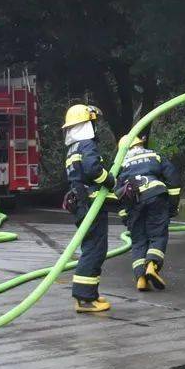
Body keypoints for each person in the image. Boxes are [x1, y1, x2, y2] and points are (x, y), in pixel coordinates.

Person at [62, 104, 115, 313]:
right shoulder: (86, 145)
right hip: (90, 203)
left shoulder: (72, 148)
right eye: (93, 123)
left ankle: (88, 293)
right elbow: (93, 170)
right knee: (95, 249)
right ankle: (84, 298)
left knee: (90, 248)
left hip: (80, 203)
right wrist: (109, 180)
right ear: (87, 124)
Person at [115, 133, 181, 291]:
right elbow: (173, 178)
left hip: (133, 203)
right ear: (140, 144)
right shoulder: (154, 155)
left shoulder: (120, 164)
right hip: (155, 196)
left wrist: (126, 218)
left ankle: (141, 278)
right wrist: (172, 205)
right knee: (157, 234)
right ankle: (152, 265)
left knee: (138, 240)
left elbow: (116, 193)